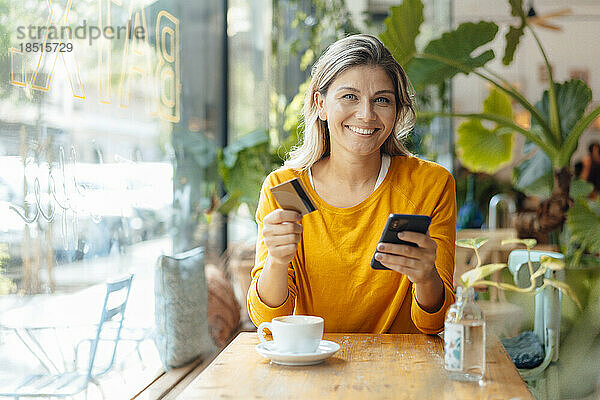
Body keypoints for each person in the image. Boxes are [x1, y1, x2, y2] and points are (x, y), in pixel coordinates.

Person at [247, 34, 456, 334]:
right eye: (349, 97)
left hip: (403, 372)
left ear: (397, 112)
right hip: (313, 367)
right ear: (320, 104)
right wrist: (278, 261)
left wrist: (426, 278)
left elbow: (435, 322)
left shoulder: (431, 185)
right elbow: (266, 320)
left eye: (382, 100)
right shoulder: (285, 187)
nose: (366, 114)